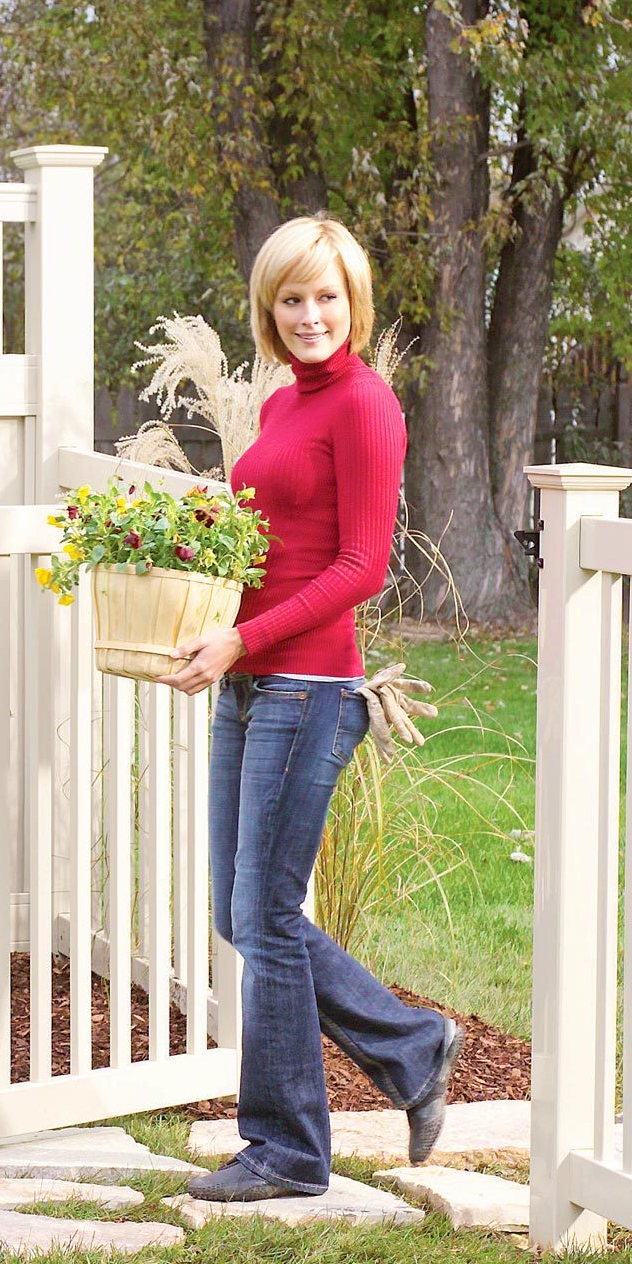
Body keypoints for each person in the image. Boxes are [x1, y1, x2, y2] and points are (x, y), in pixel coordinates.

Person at [157, 215, 462, 1202]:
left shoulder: (365, 406)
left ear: (353, 302)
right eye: (291, 297)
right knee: (240, 912)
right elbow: (271, 536)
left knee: (266, 914)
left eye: (325, 295)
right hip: (247, 682)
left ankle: (287, 1146)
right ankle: (413, 1044)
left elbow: (360, 569)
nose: (309, 313)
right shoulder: (289, 401)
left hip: (309, 686)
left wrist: (244, 638)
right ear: (269, 308)